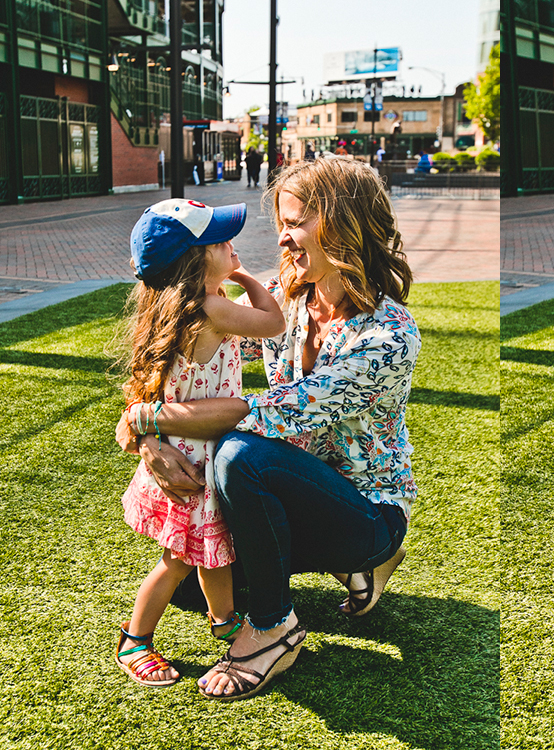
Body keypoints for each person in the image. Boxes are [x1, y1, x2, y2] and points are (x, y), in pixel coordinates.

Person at [115, 157, 419, 701]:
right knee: (196, 588)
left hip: (363, 511)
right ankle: (337, 578)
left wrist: (144, 420)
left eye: (297, 220)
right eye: (282, 219)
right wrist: (149, 439)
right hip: (289, 500)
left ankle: (279, 625)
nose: (282, 234)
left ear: (344, 222)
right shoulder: (289, 295)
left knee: (238, 455)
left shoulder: (388, 335)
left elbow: (259, 411)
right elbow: (182, 352)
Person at [115, 199, 285, 688]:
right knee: (177, 560)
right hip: (196, 457)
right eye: (219, 240)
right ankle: (135, 639)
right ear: (194, 260)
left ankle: (224, 618)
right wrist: (250, 281)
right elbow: (273, 323)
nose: (230, 244)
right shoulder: (211, 309)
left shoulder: (170, 309)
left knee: (211, 550)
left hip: (183, 450)